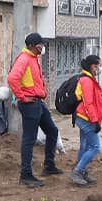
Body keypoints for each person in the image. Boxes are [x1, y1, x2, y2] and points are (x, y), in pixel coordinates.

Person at [8, 32, 61, 187]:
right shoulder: (24, 59)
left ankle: (49, 166)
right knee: (29, 139)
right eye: (40, 45)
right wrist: (22, 97)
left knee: (52, 131)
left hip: (37, 102)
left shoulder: (32, 58)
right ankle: (26, 175)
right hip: (30, 104)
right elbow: (12, 78)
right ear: (31, 46)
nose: (42, 47)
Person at [70, 55, 102, 186]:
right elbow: (88, 103)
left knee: (84, 146)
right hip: (86, 118)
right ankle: (78, 171)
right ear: (92, 66)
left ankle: (81, 171)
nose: (99, 68)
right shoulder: (87, 81)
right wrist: (95, 121)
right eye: (97, 66)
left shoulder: (88, 79)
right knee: (95, 147)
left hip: (84, 117)